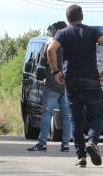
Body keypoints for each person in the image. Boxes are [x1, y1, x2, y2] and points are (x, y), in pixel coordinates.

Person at [47, 5, 103, 167]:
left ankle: (81, 157)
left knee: (75, 121)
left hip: (72, 81)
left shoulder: (63, 33)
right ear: (82, 17)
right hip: (91, 80)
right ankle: (92, 141)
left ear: (67, 18)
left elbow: (50, 50)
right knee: (97, 115)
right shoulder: (92, 32)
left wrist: (55, 71)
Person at [28, 21, 72, 152]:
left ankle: (42, 143)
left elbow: (43, 63)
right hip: (67, 84)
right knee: (66, 114)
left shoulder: (53, 44)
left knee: (47, 112)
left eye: (53, 29)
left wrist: (45, 76)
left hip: (53, 83)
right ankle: (65, 144)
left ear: (58, 30)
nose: (52, 32)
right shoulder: (70, 45)